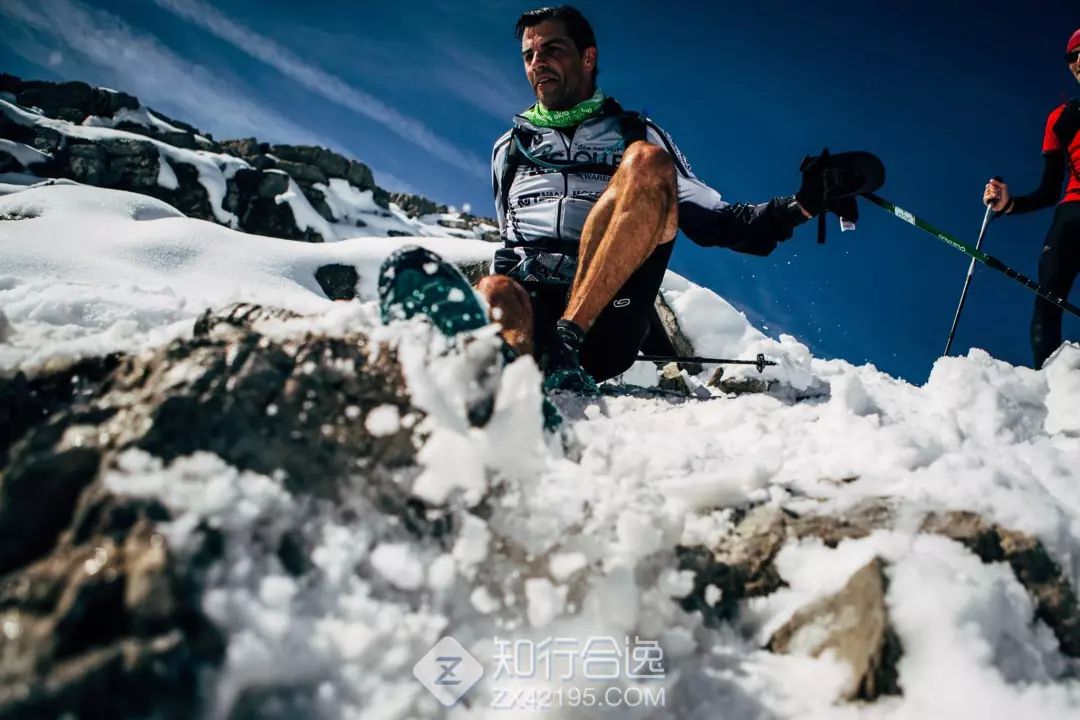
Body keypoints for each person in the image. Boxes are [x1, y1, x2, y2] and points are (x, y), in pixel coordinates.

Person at [474, 5, 851, 394]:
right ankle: (517, 387)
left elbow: (718, 222)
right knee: (493, 291)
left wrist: (802, 205)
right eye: (529, 55)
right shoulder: (509, 149)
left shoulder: (636, 134)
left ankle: (566, 345)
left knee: (647, 161)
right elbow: (508, 240)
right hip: (531, 310)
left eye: (552, 49)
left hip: (604, 320)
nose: (537, 63)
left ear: (588, 57)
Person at [984, 28, 1080, 369]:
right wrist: (1008, 205)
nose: (1079, 60)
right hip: (1073, 213)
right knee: (1048, 297)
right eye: (1072, 56)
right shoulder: (1060, 119)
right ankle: (1049, 386)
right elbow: (1048, 191)